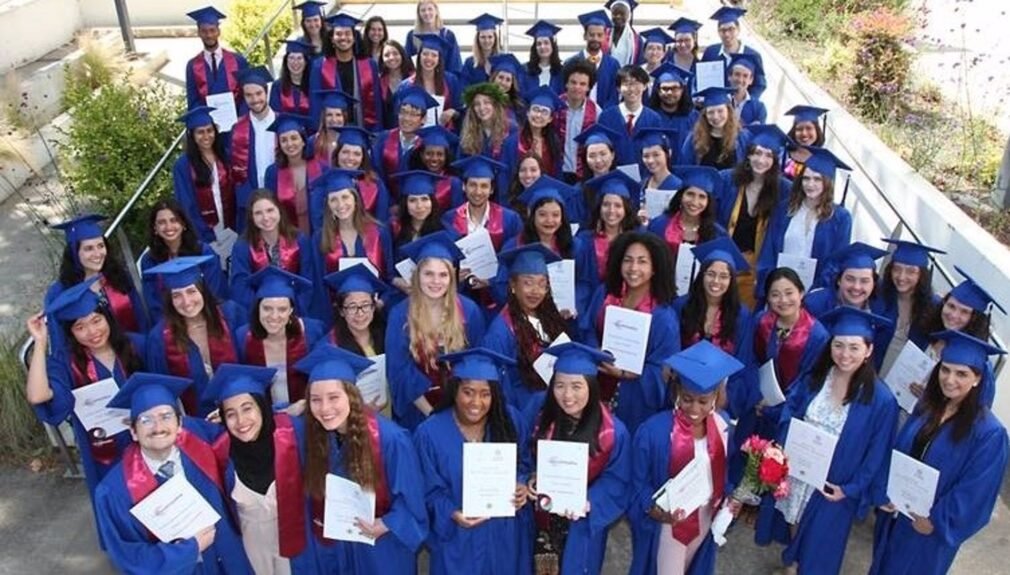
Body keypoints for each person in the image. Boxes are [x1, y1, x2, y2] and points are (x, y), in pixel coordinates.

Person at [758, 307, 898, 575]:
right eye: (839, 345)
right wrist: (782, 450)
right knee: (795, 521)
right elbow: (791, 409)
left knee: (820, 545)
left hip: (834, 486)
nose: (845, 354)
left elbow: (877, 453)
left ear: (868, 350)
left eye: (854, 347)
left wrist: (851, 489)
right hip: (800, 473)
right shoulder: (816, 377)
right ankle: (792, 567)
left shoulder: (881, 400)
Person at [869, 331, 1009, 575]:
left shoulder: (989, 433)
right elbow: (900, 450)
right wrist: (887, 490)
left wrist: (936, 521)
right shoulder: (928, 406)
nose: (950, 379)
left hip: (927, 531)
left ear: (977, 379)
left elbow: (975, 492)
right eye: (945, 369)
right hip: (897, 513)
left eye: (961, 373)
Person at [94, 372, 253, 574]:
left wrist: (284, 410)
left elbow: (248, 429)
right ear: (133, 431)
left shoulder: (202, 442)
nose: (158, 427)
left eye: (166, 416)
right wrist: (189, 550)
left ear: (180, 425)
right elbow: (128, 556)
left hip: (230, 560)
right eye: (146, 420)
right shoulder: (113, 492)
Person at [294, 344, 428, 574]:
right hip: (339, 544)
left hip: (381, 547)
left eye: (333, 397)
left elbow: (412, 502)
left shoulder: (391, 440)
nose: (324, 408)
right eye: (315, 400)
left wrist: (385, 525)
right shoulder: (317, 436)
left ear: (352, 396)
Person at [26, 279, 145, 521]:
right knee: (120, 510)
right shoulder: (67, 364)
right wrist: (40, 342)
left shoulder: (135, 346)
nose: (92, 332)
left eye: (96, 320)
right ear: (70, 333)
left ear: (107, 317)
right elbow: (38, 395)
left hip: (147, 442)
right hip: (103, 453)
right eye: (80, 327)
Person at [628, 340, 745, 575]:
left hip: (705, 518)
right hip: (669, 524)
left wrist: (733, 497)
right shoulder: (653, 432)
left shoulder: (723, 426)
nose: (694, 409)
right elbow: (636, 483)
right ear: (677, 393)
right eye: (687, 398)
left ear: (715, 397)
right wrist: (654, 510)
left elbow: (726, 470)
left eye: (703, 401)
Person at [412, 348, 533, 575]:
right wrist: (451, 512)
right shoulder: (429, 433)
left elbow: (525, 464)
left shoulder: (511, 421)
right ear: (455, 391)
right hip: (458, 540)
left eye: (485, 394)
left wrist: (522, 484)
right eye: (468, 392)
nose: (476, 402)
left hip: (505, 536)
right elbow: (423, 490)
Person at [523, 342, 631, 575]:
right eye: (559, 385)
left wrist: (589, 501)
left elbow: (618, 480)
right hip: (539, 518)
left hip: (582, 521)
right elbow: (521, 453)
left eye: (577, 386)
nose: (567, 395)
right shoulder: (538, 411)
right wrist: (529, 477)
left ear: (591, 386)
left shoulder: (613, 432)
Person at [203, 364, 318, 574]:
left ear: (262, 407)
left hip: (300, 538)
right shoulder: (219, 453)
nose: (241, 421)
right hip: (251, 548)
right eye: (230, 414)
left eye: (247, 408)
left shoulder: (293, 432)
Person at [384, 232, 486, 430]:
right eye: (428, 274)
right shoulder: (400, 314)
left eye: (443, 274)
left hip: (461, 410)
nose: (435, 281)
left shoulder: (469, 310)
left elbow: (477, 363)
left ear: (451, 277)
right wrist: (432, 415)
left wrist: (462, 411)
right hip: (418, 413)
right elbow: (399, 371)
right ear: (417, 276)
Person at [581, 231, 681, 432]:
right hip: (595, 386)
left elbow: (662, 371)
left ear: (654, 269)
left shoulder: (663, 317)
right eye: (628, 260)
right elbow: (587, 329)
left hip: (633, 401)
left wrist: (627, 373)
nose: (634, 268)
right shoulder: (605, 294)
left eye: (642, 262)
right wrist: (595, 351)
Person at [736, 267, 829, 444]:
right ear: (768, 298)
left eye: (789, 293)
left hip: (786, 414)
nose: (783, 300)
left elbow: (809, 380)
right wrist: (756, 395)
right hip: (754, 404)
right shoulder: (761, 321)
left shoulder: (817, 335)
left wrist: (776, 407)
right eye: (775, 294)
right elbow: (748, 360)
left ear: (801, 293)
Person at [144, 256, 244, 417]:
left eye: (191, 291)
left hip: (240, 415)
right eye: (177, 295)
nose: (186, 301)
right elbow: (164, 390)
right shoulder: (159, 338)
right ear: (169, 300)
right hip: (197, 422)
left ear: (202, 290)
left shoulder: (231, 315)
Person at [482, 245, 574, 410]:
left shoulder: (549, 317)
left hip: (558, 402)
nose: (535, 291)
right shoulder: (501, 330)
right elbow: (499, 383)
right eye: (528, 283)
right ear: (513, 285)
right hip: (525, 408)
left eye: (541, 284)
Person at [757, 146, 854, 297]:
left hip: (813, 294)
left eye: (817, 179)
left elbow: (836, 262)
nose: (810, 184)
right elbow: (769, 249)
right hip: (779, 290)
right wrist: (770, 283)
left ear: (828, 183)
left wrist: (814, 293)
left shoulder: (840, 218)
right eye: (806, 178)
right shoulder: (784, 209)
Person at [45, 214, 148, 354]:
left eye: (101, 246)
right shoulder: (59, 292)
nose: (98, 253)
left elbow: (140, 319)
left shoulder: (118, 276)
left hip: (134, 353)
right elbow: (59, 342)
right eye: (88, 248)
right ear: (75, 253)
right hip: (91, 367)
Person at [717, 125, 793, 307]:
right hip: (725, 258)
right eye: (757, 153)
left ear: (775, 160)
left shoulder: (784, 190)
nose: (761, 160)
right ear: (748, 155)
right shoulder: (728, 180)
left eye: (768, 155)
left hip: (755, 268)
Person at [309, 168, 394, 322]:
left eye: (345, 197)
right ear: (327, 204)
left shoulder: (379, 233)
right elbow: (319, 287)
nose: (340, 204)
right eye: (333, 199)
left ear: (355, 199)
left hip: (375, 314)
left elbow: (389, 277)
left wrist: (382, 302)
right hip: (336, 316)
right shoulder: (319, 238)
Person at [235, 267, 325, 406]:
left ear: (291, 310)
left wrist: (306, 404)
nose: (274, 316)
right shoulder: (243, 337)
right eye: (267, 308)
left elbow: (323, 379)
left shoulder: (312, 332)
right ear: (257, 308)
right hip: (263, 419)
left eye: (282, 309)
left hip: (304, 413)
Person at [915, 268, 1002, 408]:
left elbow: (975, 411)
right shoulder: (929, 334)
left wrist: (930, 398)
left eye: (964, 312)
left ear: (975, 319)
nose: (954, 315)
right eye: (951, 306)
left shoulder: (981, 367)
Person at [674, 238, 755, 375]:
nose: (716, 281)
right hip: (683, 381)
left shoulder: (741, 315)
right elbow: (671, 349)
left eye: (724, 276)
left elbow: (743, 360)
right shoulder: (681, 306)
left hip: (723, 383)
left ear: (731, 281)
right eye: (711, 274)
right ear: (701, 276)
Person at [141, 199, 229, 323]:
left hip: (208, 318)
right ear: (155, 228)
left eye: (174, 220)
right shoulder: (149, 260)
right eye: (162, 222)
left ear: (184, 224)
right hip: (172, 324)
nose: (168, 227)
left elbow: (216, 290)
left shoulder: (203, 251)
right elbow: (153, 301)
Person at [230, 189, 314, 315]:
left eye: (270, 210)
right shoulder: (242, 246)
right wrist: (262, 313)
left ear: (279, 210)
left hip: (296, 309)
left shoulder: (300, 240)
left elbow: (308, 279)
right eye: (258, 213)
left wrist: (292, 310)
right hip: (259, 312)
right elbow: (240, 287)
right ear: (251, 217)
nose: (266, 218)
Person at [322, 266, 390, 413]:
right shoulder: (330, 346)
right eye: (352, 307)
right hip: (354, 419)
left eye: (365, 305)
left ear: (373, 307)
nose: (360, 313)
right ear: (341, 311)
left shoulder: (387, 335)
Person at [872, 239, 945, 375]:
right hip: (872, 369)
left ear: (921, 275)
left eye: (911, 272)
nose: (901, 277)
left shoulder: (934, 307)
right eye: (897, 269)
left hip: (906, 378)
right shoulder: (878, 294)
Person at [575, 171, 642, 312]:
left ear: (626, 209)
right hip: (589, 305)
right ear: (599, 207)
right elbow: (580, 281)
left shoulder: (638, 239)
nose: (611, 211)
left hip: (627, 305)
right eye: (606, 204)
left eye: (618, 205)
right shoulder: (584, 240)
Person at [172, 106, 238, 248]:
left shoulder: (225, 156)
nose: (206, 136)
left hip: (232, 227)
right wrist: (204, 233)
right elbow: (185, 204)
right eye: (200, 132)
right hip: (203, 233)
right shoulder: (182, 166)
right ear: (192, 136)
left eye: (210, 130)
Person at [309, 12, 385, 131]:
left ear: (354, 38)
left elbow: (377, 102)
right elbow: (315, 102)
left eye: (348, 33)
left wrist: (377, 130)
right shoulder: (319, 66)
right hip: (332, 129)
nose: (343, 38)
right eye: (338, 34)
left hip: (363, 127)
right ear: (332, 39)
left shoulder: (370, 65)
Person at [441, 155, 523, 256]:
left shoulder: (510, 220)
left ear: (491, 189)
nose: (478, 192)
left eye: (484, 186)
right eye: (472, 185)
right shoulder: (449, 219)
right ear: (464, 186)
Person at [646, 166, 725, 269]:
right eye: (690, 194)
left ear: (708, 202)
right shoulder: (658, 225)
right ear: (680, 196)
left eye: (702, 197)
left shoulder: (717, 234)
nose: (695, 202)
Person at [264, 114, 327, 235]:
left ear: (303, 141)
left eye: (294, 138)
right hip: (288, 237)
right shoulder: (273, 173)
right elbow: (270, 207)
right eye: (284, 140)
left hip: (320, 235)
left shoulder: (322, 167)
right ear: (280, 145)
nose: (289, 144)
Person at [231, 67, 278, 226]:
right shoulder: (237, 129)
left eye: (258, 93)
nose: (255, 99)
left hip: (281, 196)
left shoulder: (283, 124)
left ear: (266, 93)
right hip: (252, 200)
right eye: (249, 95)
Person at [388, 171, 447, 293]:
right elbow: (385, 269)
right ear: (405, 204)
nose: (419, 206)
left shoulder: (445, 232)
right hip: (401, 293)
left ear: (432, 202)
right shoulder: (392, 229)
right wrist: (395, 281)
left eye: (424, 199)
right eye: (413, 200)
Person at [458, 83, 520, 195]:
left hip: (506, 189)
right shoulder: (468, 133)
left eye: (487, 103)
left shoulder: (511, 129)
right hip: (479, 191)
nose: (482, 108)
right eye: (477, 104)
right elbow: (462, 164)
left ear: (495, 105)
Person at [184, 6, 249, 111]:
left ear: (219, 31)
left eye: (212, 30)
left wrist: (241, 119)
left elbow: (247, 93)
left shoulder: (238, 60)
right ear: (199, 33)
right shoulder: (192, 65)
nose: (209, 35)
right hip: (208, 125)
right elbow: (193, 100)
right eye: (204, 31)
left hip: (236, 121)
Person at [597, 65, 663, 168]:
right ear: (618, 88)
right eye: (626, 84)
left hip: (645, 176)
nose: (631, 89)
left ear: (645, 86)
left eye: (636, 83)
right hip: (614, 176)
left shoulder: (654, 119)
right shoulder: (606, 117)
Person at [372, 86, 437, 190]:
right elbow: (375, 172)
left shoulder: (428, 145)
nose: (406, 118)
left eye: (413, 114)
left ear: (423, 119)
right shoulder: (383, 138)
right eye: (403, 112)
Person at [803, 242, 888, 319]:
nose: (856, 287)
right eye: (850, 279)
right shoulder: (814, 304)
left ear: (874, 283)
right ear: (839, 280)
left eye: (864, 281)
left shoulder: (880, 308)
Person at [700, 7, 767, 99]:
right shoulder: (710, 52)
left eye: (731, 29)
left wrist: (747, 102)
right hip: (717, 107)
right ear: (718, 32)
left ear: (738, 29)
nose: (727, 34)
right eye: (722, 30)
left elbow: (760, 85)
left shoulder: (753, 55)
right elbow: (702, 80)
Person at [400, 33, 462, 131]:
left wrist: (453, 112)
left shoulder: (451, 80)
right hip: (416, 136)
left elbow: (460, 109)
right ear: (419, 56)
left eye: (434, 55)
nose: (429, 58)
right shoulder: (407, 85)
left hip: (444, 136)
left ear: (439, 59)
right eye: (425, 54)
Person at [678, 87, 751, 169]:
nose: (715, 117)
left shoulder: (742, 137)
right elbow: (686, 169)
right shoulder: (694, 139)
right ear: (705, 115)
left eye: (720, 111)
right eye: (710, 112)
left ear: (728, 111)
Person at [331, 126, 392, 223]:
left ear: (363, 157)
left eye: (357, 154)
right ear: (337, 153)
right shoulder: (325, 183)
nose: (350, 158)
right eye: (345, 152)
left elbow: (382, 220)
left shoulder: (375, 183)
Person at [564, 11, 620, 108]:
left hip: (604, 117)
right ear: (585, 36)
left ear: (605, 37)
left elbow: (614, 95)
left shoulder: (613, 65)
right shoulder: (571, 63)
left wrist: (603, 115)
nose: (595, 39)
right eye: (591, 34)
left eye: (599, 35)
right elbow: (565, 91)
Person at [557, 60, 599, 184]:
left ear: (588, 87)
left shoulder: (596, 112)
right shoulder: (555, 107)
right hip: (556, 172)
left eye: (582, 84)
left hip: (583, 174)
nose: (577, 87)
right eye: (573, 82)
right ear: (566, 84)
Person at [570, 124, 621, 226]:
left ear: (612, 155)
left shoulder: (624, 186)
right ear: (585, 160)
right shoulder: (578, 192)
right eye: (592, 156)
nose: (598, 160)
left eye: (603, 154)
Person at [646, 63, 697, 155]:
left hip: (688, 168)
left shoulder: (694, 117)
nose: (669, 93)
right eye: (665, 88)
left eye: (674, 88)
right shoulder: (649, 118)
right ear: (657, 91)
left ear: (682, 90)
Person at [408, 125, 461, 211]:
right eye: (429, 153)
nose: (434, 159)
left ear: (446, 157)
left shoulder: (454, 183)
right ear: (421, 155)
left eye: (440, 154)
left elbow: (456, 215)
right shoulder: (413, 179)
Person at [517, 86, 565, 179]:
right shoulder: (514, 141)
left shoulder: (554, 143)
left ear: (550, 119)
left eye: (544, 112)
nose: (539, 115)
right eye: (535, 109)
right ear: (528, 113)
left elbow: (557, 174)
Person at [636, 128, 683, 219]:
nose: (650, 160)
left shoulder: (678, 186)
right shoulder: (642, 184)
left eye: (656, 155)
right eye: (646, 156)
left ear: (668, 153)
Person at [405, 0, 463, 73]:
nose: (427, 13)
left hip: (443, 79)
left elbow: (454, 63)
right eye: (423, 10)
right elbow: (408, 62)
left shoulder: (448, 35)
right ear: (419, 14)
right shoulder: (412, 35)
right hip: (418, 79)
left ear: (436, 11)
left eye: (430, 9)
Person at [308, 90, 356, 166]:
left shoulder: (353, 143)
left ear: (344, 117)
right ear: (324, 118)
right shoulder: (313, 142)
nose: (334, 119)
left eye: (338, 115)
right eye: (329, 115)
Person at [269, 41, 313, 117]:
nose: (295, 62)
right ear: (286, 61)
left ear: (306, 62)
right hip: (286, 128)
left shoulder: (314, 85)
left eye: (299, 58)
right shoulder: (277, 86)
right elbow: (275, 113)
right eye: (291, 58)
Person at [783, 105, 828, 178]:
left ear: (817, 130)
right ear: (793, 132)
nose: (804, 133)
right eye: (799, 129)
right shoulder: (783, 154)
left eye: (809, 128)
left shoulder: (823, 162)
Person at [379, 41, 416, 128]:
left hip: (413, 130)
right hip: (389, 132)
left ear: (402, 55)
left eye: (395, 53)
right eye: (386, 55)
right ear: (382, 59)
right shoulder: (379, 81)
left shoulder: (414, 78)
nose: (391, 58)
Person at [523, 21, 564, 95]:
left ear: (552, 46)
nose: (542, 47)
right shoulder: (525, 70)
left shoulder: (561, 72)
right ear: (535, 48)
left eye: (546, 43)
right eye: (539, 44)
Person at [461, 14, 503, 86]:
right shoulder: (470, 63)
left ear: (495, 38)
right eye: (483, 37)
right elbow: (464, 88)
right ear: (478, 39)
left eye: (490, 37)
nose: (486, 41)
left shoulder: (503, 61)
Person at [728, 53, 767, 125]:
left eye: (745, 76)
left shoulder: (758, 108)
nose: (740, 80)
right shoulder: (720, 102)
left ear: (751, 80)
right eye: (737, 74)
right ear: (729, 76)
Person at [605, 0, 643, 66]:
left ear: (629, 15)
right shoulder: (604, 35)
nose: (618, 16)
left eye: (622, 14)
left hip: (628, 75)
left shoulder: (637, 40)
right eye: (615, 13)